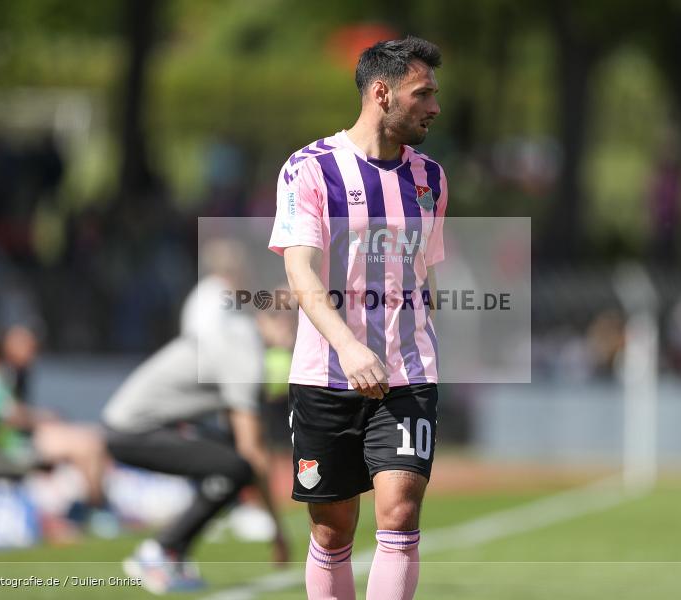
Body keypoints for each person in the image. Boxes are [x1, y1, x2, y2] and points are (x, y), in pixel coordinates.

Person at [269, 36, 446, 600]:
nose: (434, 107)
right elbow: (302, 275)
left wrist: (425, 338)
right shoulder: (309, 170)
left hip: (406, 376)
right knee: (332, 528)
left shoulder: (431, 178)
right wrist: (349, 346)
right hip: (326, 374)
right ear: (381, 92)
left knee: (399, 513)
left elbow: (426, 270)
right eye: (422, 93)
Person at [103, 239, 290, 594]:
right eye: (291, 321)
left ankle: (172, 555)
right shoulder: (243, 349)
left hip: (145, 421)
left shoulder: (237, 329)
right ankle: (158, 551)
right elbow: (253, 452)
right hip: (131, 428)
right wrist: (277, 529)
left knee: (226, 459)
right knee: (236, 466)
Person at [0, 328, 110, 513]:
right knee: (82, 445)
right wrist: (43, 418)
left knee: (89, 442)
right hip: (1, 448)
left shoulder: (11, 375)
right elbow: (6, 416)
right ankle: (95, 509)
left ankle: (94, 505)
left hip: (15, 443)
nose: (31, 354)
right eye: (26, 348)